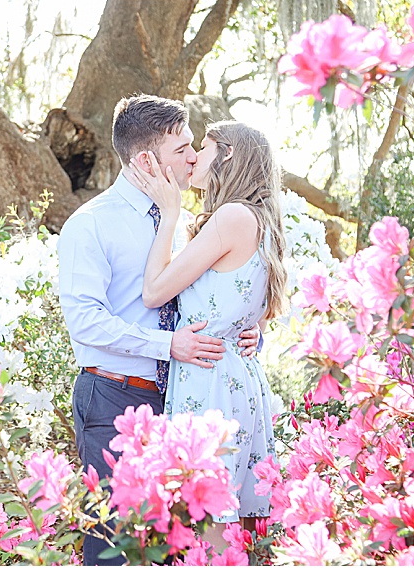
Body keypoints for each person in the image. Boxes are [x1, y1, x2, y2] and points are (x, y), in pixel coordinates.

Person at [57, 95, 262, 566]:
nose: (194, 158)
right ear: (146, 159)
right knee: (113, 546)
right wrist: (168, 345)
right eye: (182, 149)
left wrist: (249, 334)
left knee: (173, 549)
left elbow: (215, 298)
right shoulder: (90, 225)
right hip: (113, 397)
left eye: (194, 147)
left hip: (179, 403)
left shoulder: (191, 224)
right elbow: (85, 322)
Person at [124, 120, 287, 552]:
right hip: (233, 374)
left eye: (205, 147)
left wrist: (170, 212)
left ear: (228, 156)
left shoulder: (231, 217)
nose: (193, 157)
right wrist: (251, 333)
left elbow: (155, 292)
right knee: (228, 525)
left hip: (210, 379)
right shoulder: (259, 220)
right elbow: (244, 304)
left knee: (212, 526)